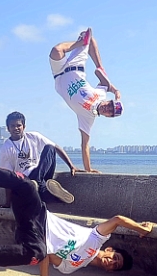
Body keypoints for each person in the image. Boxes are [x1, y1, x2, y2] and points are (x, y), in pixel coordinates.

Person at [0, 143, 153, 276]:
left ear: (110, 271)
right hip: (40, 216)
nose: (112, 262)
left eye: (115, 266)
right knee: (26, 185)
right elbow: (118, 220)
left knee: (37, 252)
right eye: (115, 258)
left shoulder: (70, 267)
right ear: (109, 250)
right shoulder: (96, 239)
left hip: (34, 236)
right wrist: (141, 229)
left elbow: (48, 256)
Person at [49, 28, 122, 173]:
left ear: (108, 116)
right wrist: (114, 90)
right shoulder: (101, 94)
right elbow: (100, 77)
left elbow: (85, 145)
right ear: (108, 101)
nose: (107, 108)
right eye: (109, 105)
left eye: (110, 112)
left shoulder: (88, 118)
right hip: (76, 66)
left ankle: (81, 42)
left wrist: (88, 170)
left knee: (56, 51)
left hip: (59, 74)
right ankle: (82, 44)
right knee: (89, 38)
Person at [0, 111, 77, 207]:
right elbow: (8, 177)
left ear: (24, 126)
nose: (16, 128)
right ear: (8, 128)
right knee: (45, 195)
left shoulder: (33, 137)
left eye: (18, 125)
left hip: (40, 174)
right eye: (12, 126)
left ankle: (38, 183)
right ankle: (56, 195)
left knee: (50, 147)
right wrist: (7, 203)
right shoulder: (6, 148)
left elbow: (56, 148)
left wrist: (71, 166)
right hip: (25, 180)